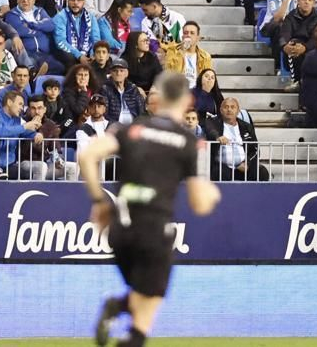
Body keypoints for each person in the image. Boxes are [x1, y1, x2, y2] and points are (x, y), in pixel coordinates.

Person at [78, 71, 222, 347]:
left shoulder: (133, 128)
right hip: (155, 229)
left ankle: (118, 306)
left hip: (120, 229)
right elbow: (199, 205)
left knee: (143, 294)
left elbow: (87, 156)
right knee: (144, 318)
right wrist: (211, 193)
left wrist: (99, 201)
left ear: (156, 98)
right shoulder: (187, 141)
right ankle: (119, 309)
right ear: (188, 100)